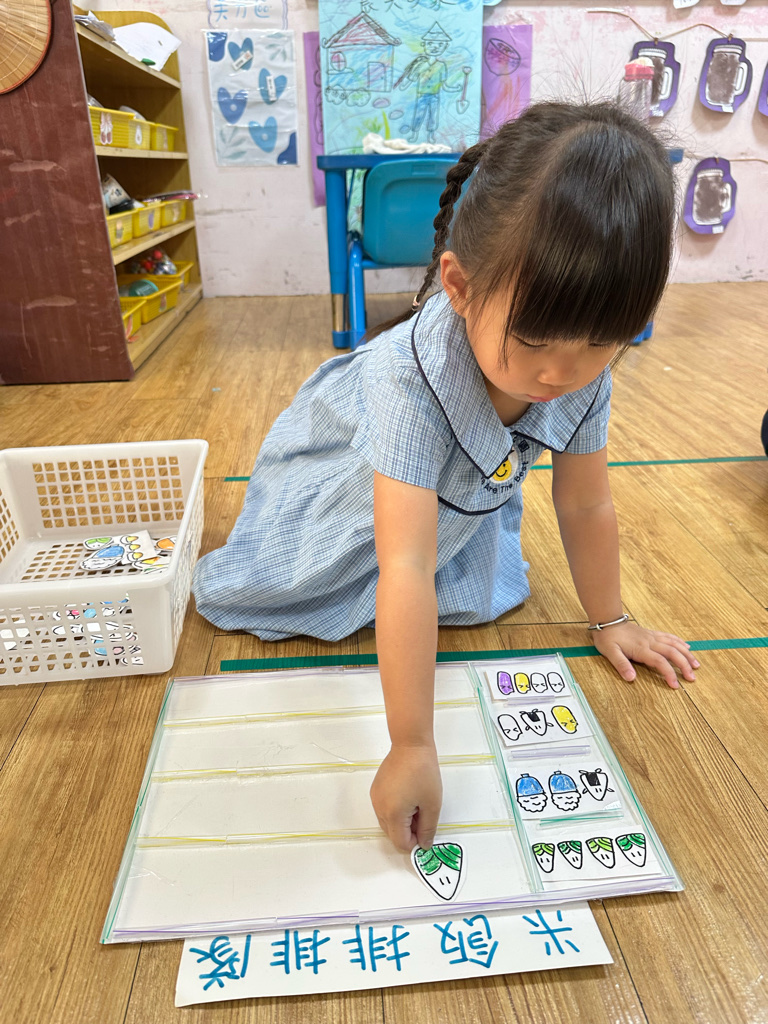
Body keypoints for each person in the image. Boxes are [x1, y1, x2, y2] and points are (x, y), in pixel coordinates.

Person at [193, 101, 699, 856]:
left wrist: (610, 619)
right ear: (459, 286)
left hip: (451, 504)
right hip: (344, 498)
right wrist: (412, 744)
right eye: (533, 339)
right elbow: (402, 562)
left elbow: (586, 502)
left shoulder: (580, 371)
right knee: (314, 585)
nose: (563, 373)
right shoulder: (403, 380)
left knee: (467, 593)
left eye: (604, 341)